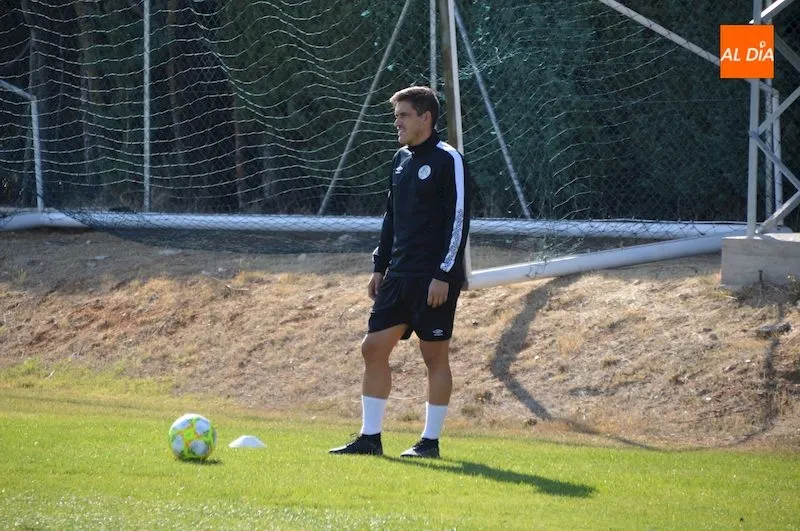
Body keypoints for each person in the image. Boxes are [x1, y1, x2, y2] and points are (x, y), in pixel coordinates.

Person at [329, 85, 471, 458]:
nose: (397, 123)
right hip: (398, 275)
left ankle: (429, 442)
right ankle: (369, 438)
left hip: (433, 279)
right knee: (373, 348)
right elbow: (391, 216)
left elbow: (458, 220)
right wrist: (380, 266)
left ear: (425, 118)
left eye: (404, 115)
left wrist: (444, 273)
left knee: (434, 358)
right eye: (396, 116)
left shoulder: (448, 159)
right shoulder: (400, 159)